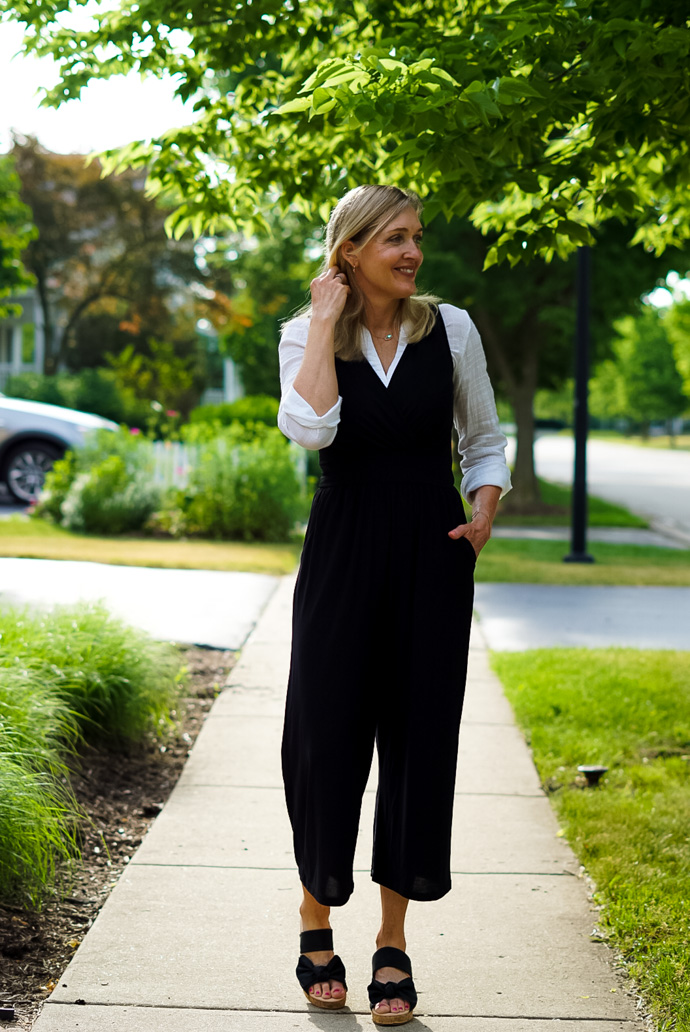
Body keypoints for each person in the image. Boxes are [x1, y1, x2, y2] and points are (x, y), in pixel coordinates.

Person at [278, 184, 511, 1026]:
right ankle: (315, 918)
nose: (412, 253)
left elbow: (482, 437)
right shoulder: (306, 335)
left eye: (416, 238)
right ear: (349, 252)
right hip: (342, 550)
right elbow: (308, 430)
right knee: (325, 735)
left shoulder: (452, 329)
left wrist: (482, 509)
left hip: (430, 551)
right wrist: (322, 321)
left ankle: (392, 942)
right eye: (393, 240)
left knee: (416, 744)